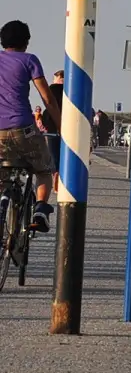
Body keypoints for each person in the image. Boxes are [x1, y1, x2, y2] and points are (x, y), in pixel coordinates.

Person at [0, 22, 62, 232]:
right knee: (44, 169)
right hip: (22, 129)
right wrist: (61, 125)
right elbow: (48, 98)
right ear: (26, 42)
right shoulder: (29, 60)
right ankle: (40, 210)